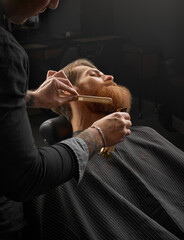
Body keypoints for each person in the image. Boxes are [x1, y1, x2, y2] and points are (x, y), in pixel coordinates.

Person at [0, 1, 132, 239]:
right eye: (93, 73)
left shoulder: (148, 138)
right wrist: (97, 136)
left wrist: (34, 98)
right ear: (73, 95)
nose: (54, 4)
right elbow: (25, 177)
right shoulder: (5, 52)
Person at [29, 59, 184, 240]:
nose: (110, 76)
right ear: (66, 92)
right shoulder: (56, 176)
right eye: (93, 74)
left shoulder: (146, 135)